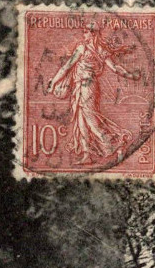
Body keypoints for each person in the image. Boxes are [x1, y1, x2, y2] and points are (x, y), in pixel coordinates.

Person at [47, 22, 140, 165]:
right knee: (81, 120)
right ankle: (87, 155)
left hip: (86, 86)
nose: (84, 34)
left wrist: (53, 82)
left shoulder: (82, 48)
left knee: (91, 119)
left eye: (86, 32)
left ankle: (116, 144)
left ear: (93, 33)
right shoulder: (101, 50)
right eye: (84, 32)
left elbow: (67, 66)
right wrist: (130, 75)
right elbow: (115, 68)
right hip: (84, 85)